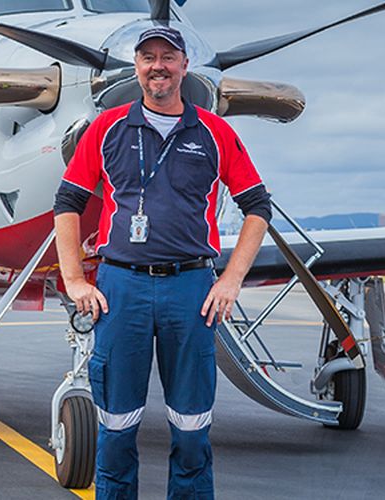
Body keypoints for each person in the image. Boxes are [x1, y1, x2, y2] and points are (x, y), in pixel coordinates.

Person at [51, 26, 273, 500]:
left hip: (191, 289)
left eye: (168, 57)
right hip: (120, 289)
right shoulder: (106, 128)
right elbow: (67, 202)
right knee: (115, 427)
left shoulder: (216, 133)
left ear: (184, 67)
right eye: (148, 57)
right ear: (136, 67)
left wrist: (231, 280)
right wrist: (74, 279)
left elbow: (258, 207)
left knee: (192, 429)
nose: (159, 66)